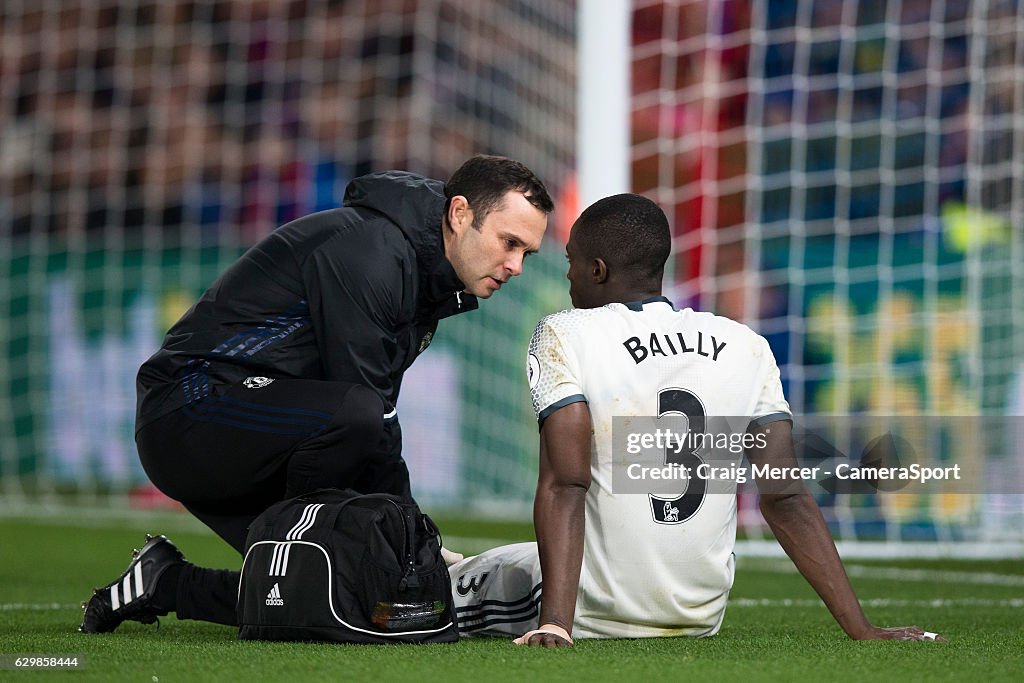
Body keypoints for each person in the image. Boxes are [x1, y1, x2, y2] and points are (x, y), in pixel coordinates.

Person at [80, 154, 553, 633]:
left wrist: (406, 548)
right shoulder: (370, 250)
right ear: (459, 214)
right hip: (190, 409)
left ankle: (165, 583)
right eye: (508, 242)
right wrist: (417, 544)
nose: (515, 265)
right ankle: (320, 554)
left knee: (356, 591)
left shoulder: (423, 274)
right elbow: (368, 409)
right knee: (360, 432)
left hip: (259, 423)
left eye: (527, 254)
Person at [449, 193, 944, 645]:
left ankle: (445, 571)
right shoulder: (747, 344)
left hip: (592, 611)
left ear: (596, 270)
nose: (567, 277)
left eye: (571, 264)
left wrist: (556, 621)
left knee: (433, 597)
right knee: (511, 556)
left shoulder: (565, 333)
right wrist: (862, 629)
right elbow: (787, 496)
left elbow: (565, 483)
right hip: (699, 614)